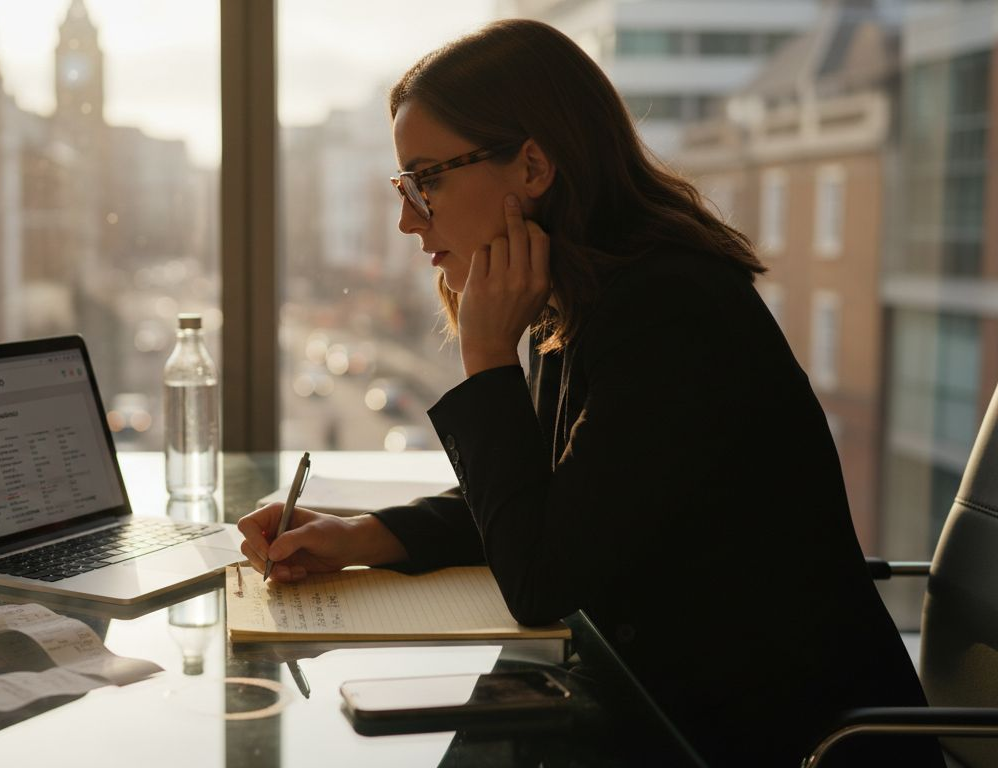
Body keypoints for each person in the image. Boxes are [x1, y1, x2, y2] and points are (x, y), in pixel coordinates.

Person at [237, 19, 940, 768]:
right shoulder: (587, 295)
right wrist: (363, 536)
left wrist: (485, 355)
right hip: (669, 701)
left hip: (778, 742)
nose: (409, 217)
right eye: (403, 184)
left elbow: (540, 575)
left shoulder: (671, 311)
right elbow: (554, 499)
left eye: (427, 179)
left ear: (533, 167)